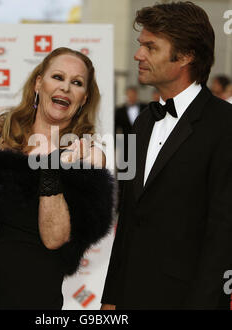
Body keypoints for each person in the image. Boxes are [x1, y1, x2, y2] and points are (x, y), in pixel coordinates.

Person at [0, 47, 115, 309]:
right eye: (58, 77)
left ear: (84, 98)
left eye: (76, 83)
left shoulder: (87, 156)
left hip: (31, 296)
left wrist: (50, 167)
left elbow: (55, 238)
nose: (65, 87)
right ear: (39, 83)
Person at [101, 1, 232, 309]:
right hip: (131, 295)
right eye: (140, 45)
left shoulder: (225, 125)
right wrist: (111, 297)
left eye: (151, 47)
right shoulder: (142, 121)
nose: (138, 55)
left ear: (186, 55)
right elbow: (130, 217)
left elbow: (224, 232)